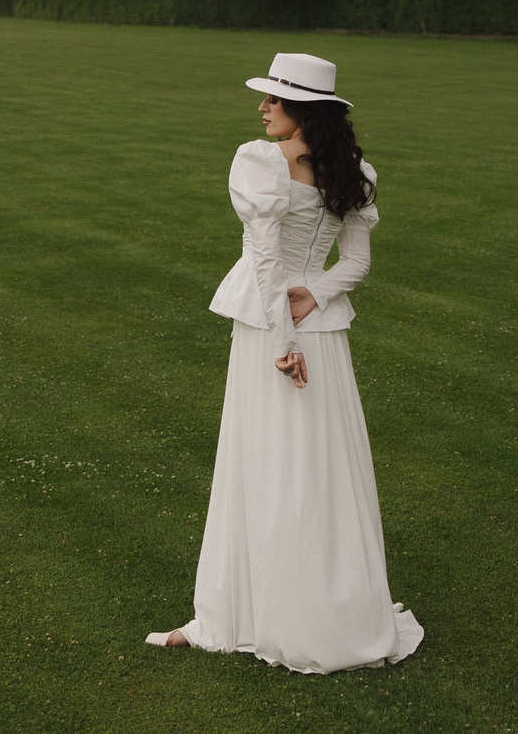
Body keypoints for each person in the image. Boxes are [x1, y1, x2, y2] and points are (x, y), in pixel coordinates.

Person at [145, 51, 425, 673]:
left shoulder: (264, 163)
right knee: (305, 461)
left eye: (273, 99)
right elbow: (350, 267)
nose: (263, 107)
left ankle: (276, 615)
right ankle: (253, 609)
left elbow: (271, 266)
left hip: (278, 331)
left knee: (282, 461)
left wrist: (285, 336)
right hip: (310, 329)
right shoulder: (350, 171)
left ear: (302, 110)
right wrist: (314, 300)